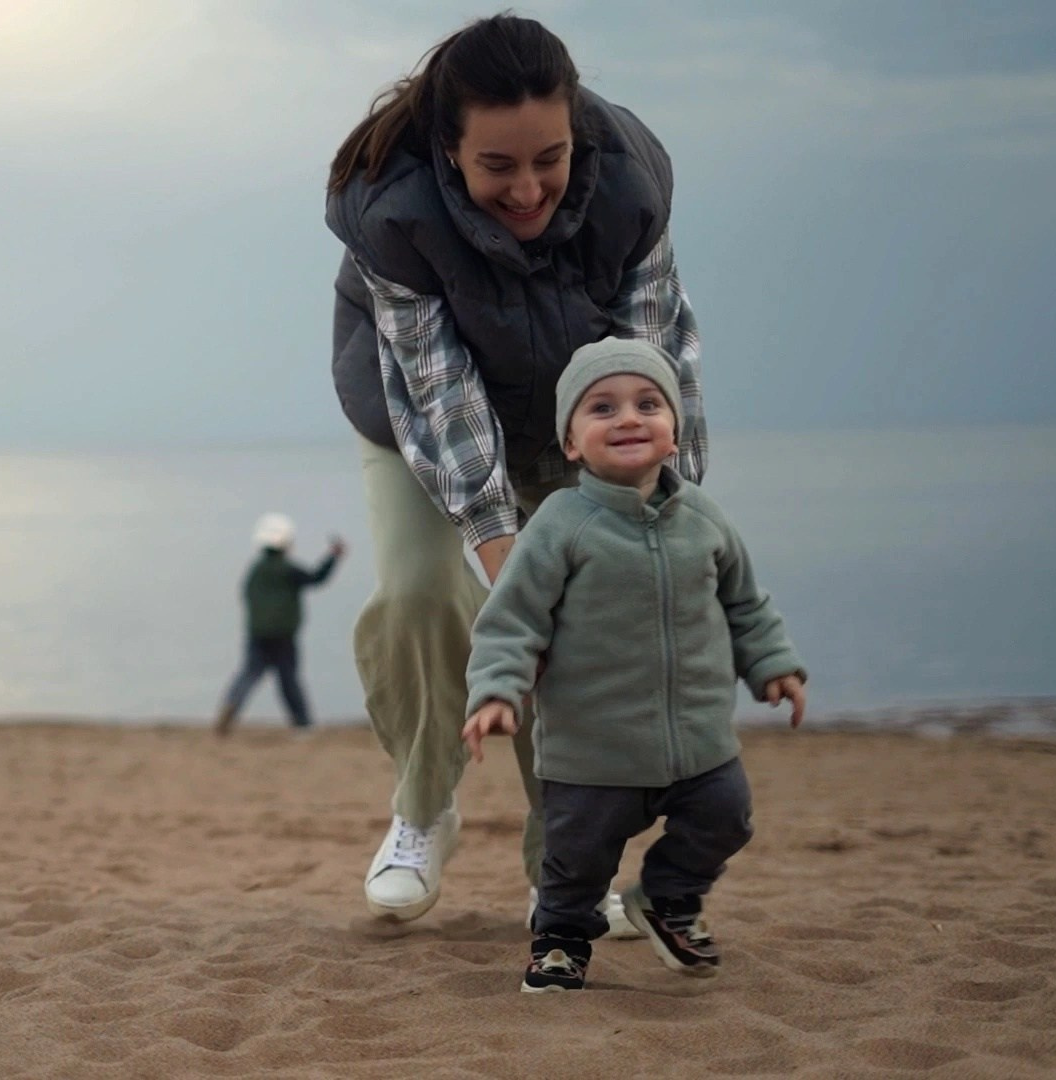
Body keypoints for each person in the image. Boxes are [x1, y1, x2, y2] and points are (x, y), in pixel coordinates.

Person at [326, 12, 706, 925]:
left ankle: (562, 869)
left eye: (551, 157)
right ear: (450, 149)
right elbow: (443, 397)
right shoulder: (392, 206)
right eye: (499, 166)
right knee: (423, 591)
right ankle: (424, 809)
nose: (530, 188)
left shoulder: (632, 184)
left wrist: (662, 530)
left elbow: (649, 370)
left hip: (577, 410)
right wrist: (513, 572)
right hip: (419, 415)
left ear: (577, 129)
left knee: (575, 623)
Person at [462, 339, 807, 992]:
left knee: (727, 817)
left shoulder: (703, 518)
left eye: (648, 404)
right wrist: (497, 691)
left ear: (675, 433)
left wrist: (771, 662)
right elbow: (512, 619)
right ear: (571, 443)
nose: (627, 418)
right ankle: (562, 938)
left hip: (698, 741)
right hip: (593, 751)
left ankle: (668, 899)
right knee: (575, 861)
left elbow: (744, 602)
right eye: (602, 408)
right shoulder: (562, 524)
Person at [214, 513, 346, 735]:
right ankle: (302, 723)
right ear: (287, 543)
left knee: (249, 673)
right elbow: (316, 578)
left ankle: (231, 703)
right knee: (288, 679)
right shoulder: (288, 569)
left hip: (257, 633)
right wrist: (332, 556)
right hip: (284, 634)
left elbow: (246, 595)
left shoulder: (255, 570)